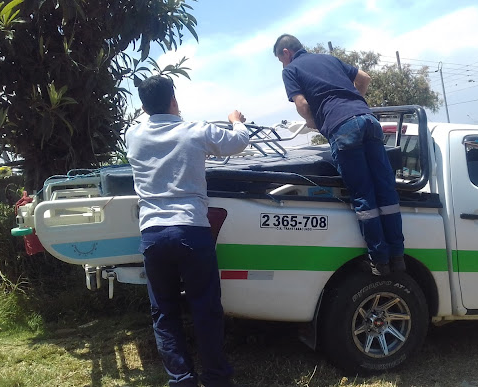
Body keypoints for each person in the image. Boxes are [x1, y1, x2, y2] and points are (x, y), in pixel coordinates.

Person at [126, 75, 249, 387]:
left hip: (153, 233)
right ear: (174, 100)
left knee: (164, 313)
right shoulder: (195, 130)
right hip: (192, 230)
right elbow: (238, 143)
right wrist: (236, 121)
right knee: (205, 308)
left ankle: (181, 379)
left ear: (143, 106)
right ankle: (216, 378)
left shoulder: (134, 135)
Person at [273, 34, 405, 276]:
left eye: (280, 60)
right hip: (368, 120)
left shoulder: (291, 70)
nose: (282, 65)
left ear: (285, 53)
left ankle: (380, 261)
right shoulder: (328, 58)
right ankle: (398, 256)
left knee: (364, 197)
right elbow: (364, 78)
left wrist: (313, 121)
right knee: (385, 190)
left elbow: (301, 104)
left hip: (342, 127)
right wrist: (356, 102)